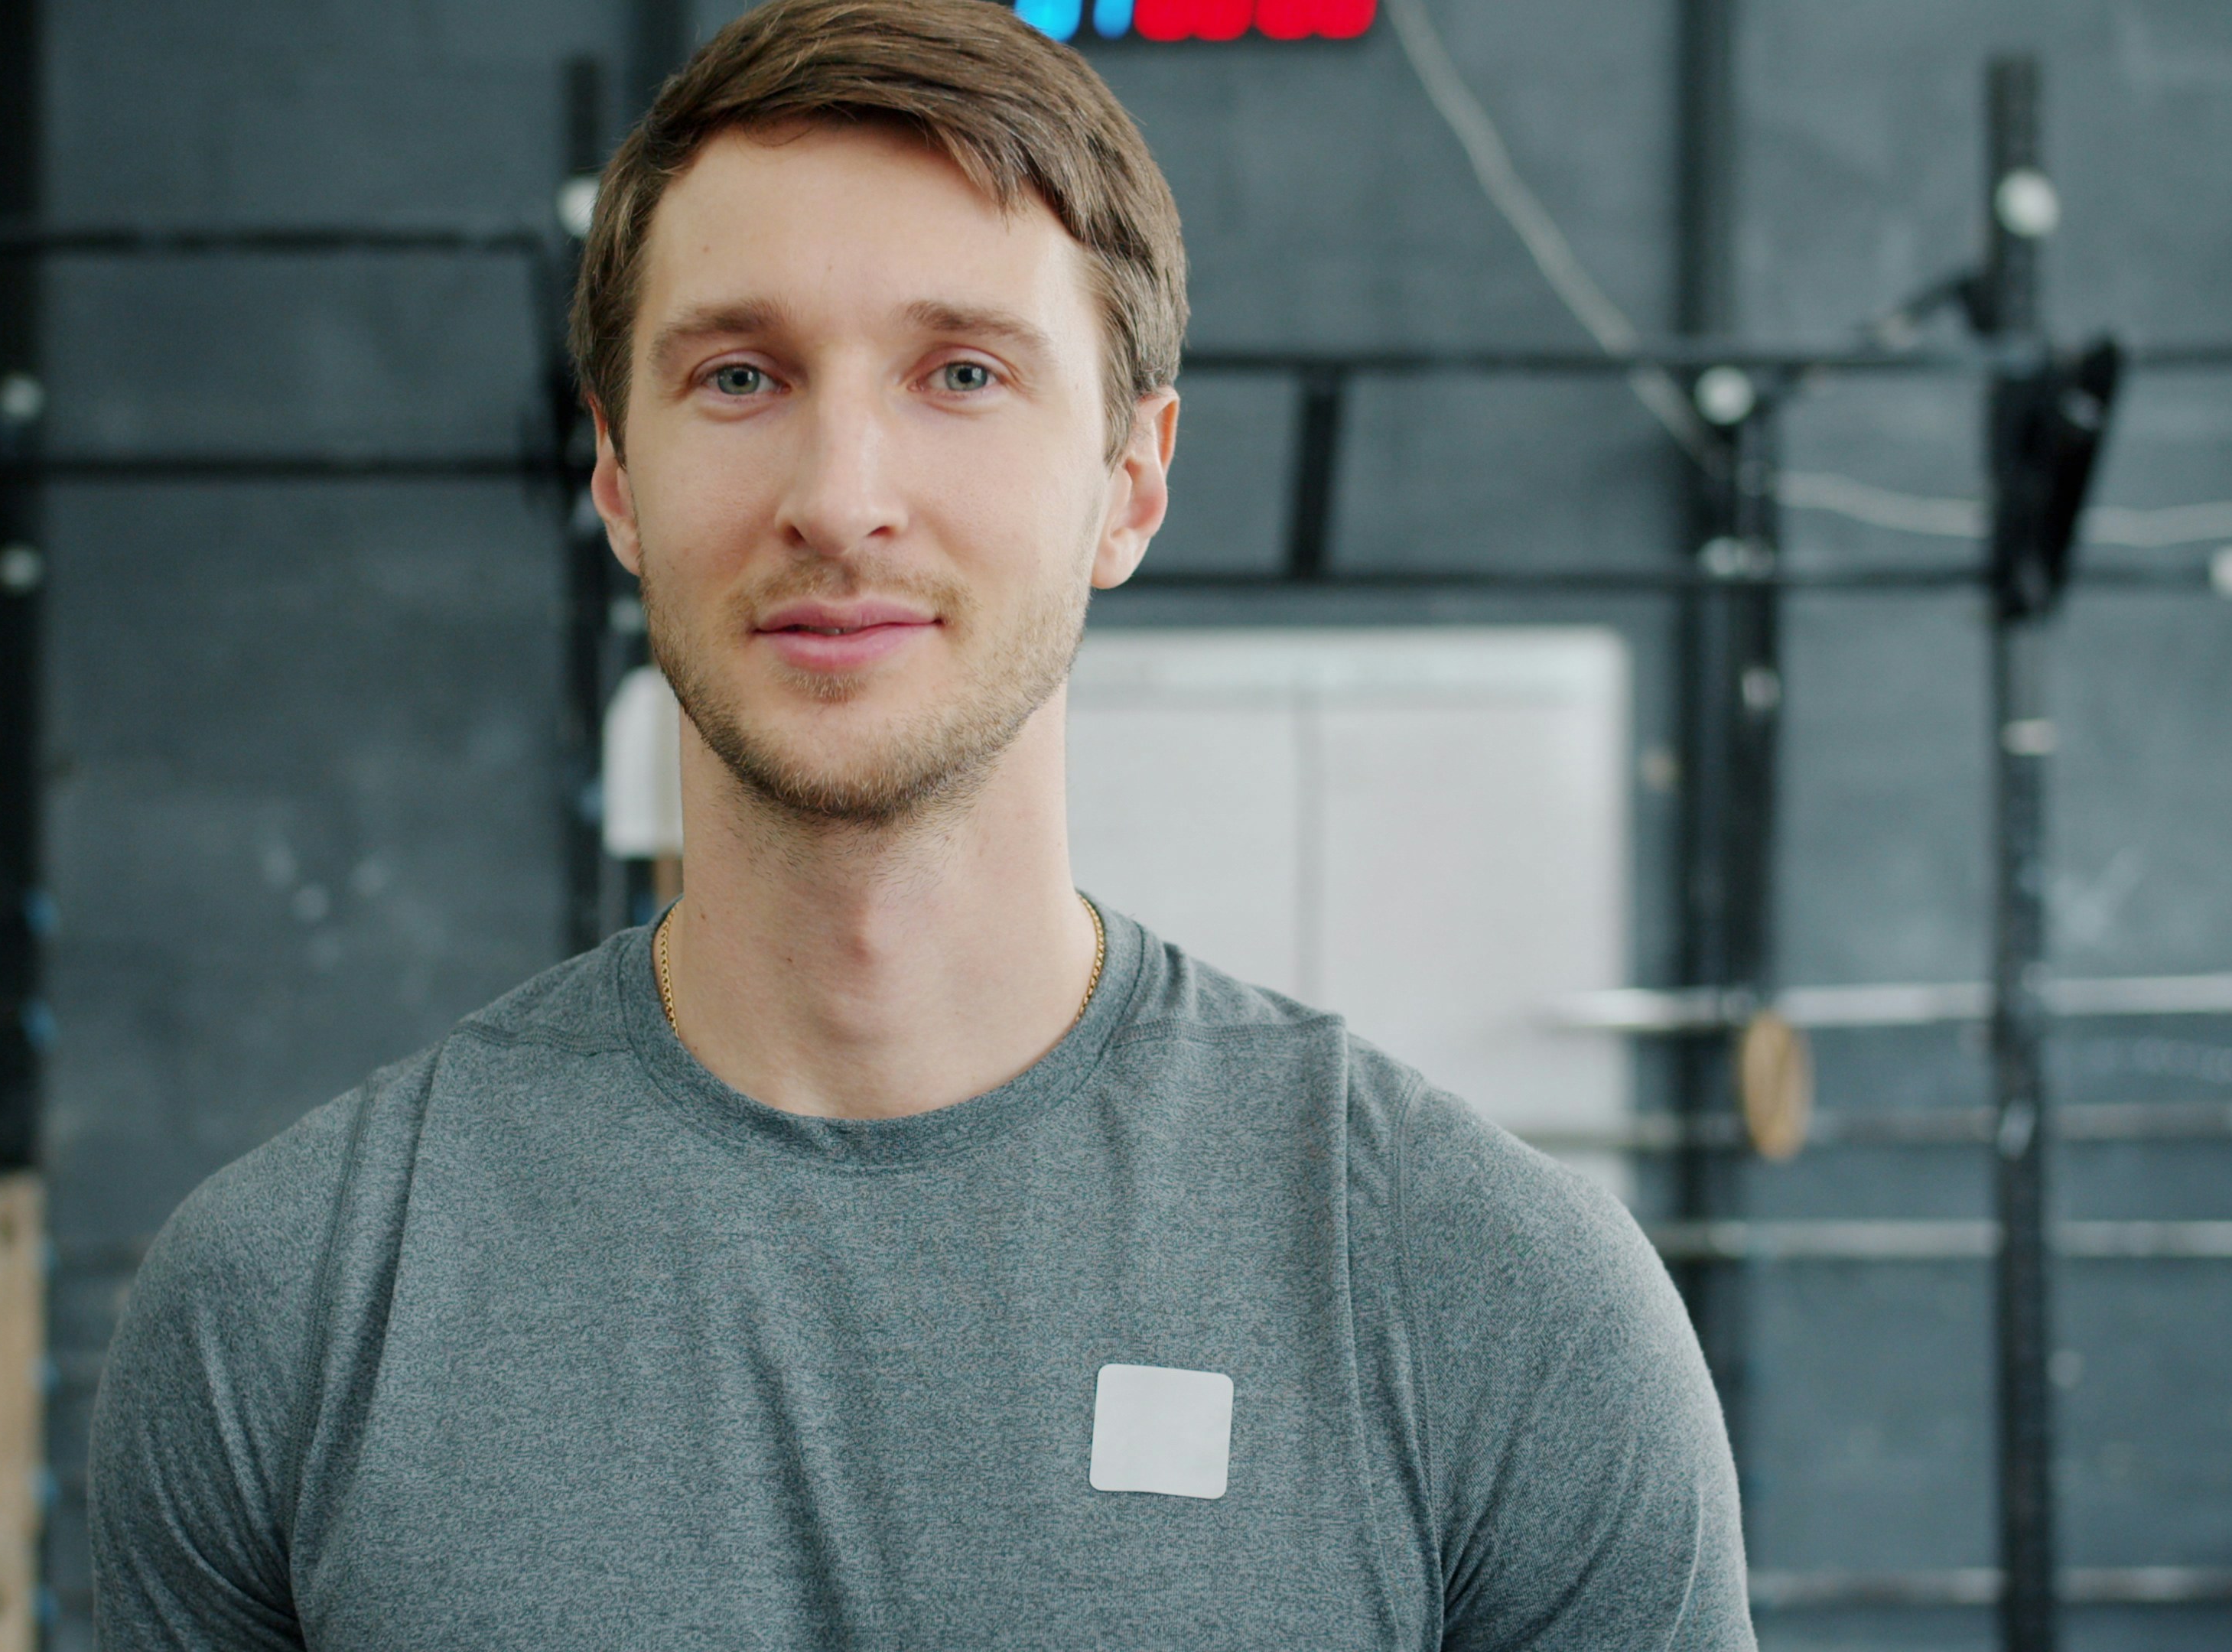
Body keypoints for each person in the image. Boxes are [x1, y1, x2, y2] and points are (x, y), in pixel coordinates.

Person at [89, 0, 1752, 1644]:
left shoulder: (1494, 1301)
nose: (840, 497)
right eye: (739, 376)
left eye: (962, 373)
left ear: (1133, 480)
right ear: (617, 479)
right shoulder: (286, 1305)